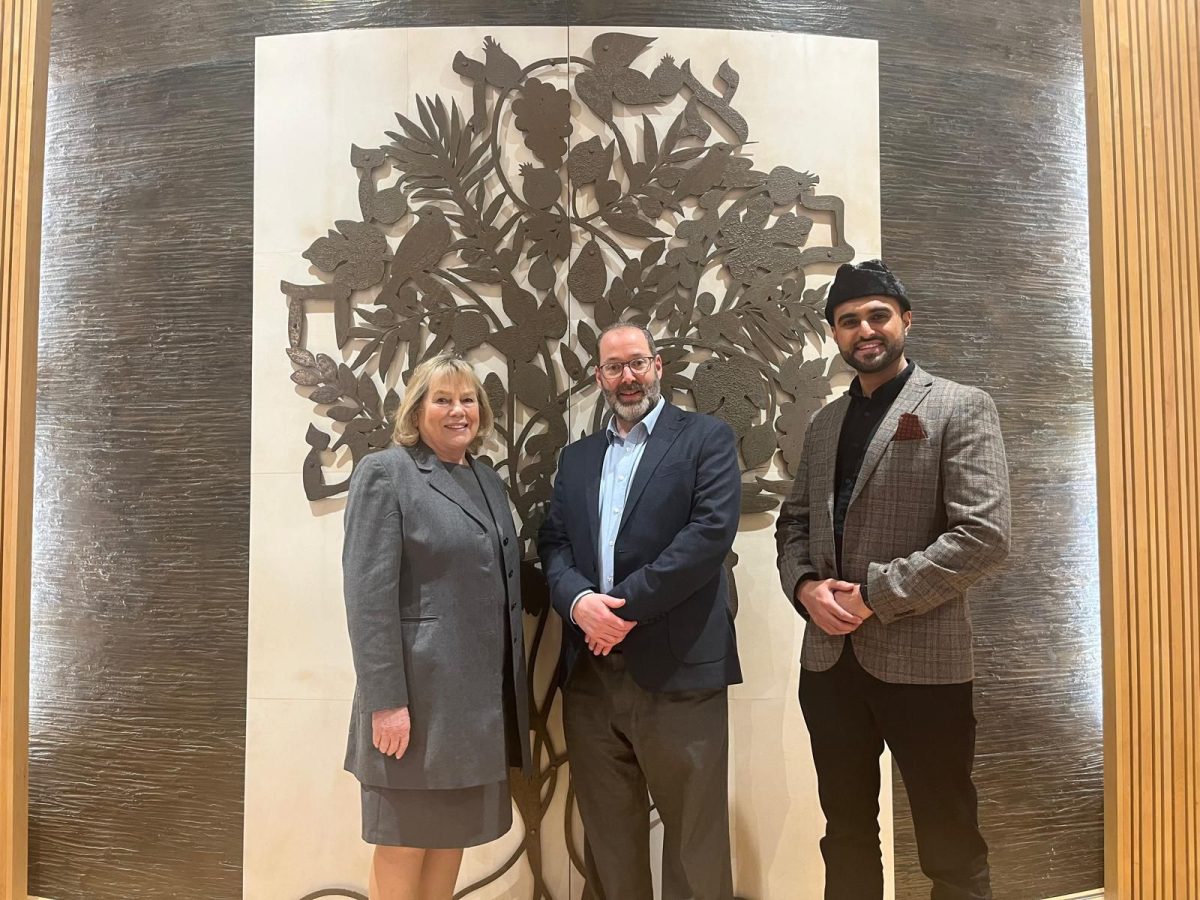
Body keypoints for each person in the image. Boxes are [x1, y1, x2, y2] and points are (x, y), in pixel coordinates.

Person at [775, 259, 1011, 900]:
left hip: (925, 665)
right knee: (845, 833)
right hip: (828, 666)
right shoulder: (824, 424)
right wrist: (804, 590)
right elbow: (793, 523)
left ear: (906, 320)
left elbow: (983, 536)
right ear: (834, 334)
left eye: (877, 315)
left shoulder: (960, 407)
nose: (864, 330)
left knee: (949, 841)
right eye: (848, 321)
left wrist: (876, 596)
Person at [538, 323, 743, 900]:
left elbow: (708, 537)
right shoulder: (577, 459)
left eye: (637, 363)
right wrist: (580, 603)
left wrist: (621, 611)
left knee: (694, 845)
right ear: (599, 376)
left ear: (658, 366)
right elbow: (552, 543)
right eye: (612, 367)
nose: (627, 378)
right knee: (608, 843)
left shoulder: (706, 438)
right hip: (591, 680)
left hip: (679, 670)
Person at [342, 353, 531, 899]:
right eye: (442, 399)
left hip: (474, 709)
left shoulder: (485, 480)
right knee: (403, 842)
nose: (457, 411)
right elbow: (367, 598)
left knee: (451, 838)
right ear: (417, 409)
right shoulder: (387, 473)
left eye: (467, 399)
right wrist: (386, 701)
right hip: (416, 705)